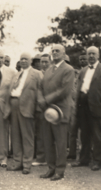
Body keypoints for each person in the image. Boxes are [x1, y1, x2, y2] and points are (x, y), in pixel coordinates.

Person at [39, 44, 74, 181]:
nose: (54, 53)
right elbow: (40, 87)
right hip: (48, 111)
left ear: (64, 53)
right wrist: (41, 99)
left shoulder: (68, 69)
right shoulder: (49, 69)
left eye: (57, 50)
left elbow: (64, 90)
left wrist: (46, 99)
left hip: (60, 111)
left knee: (60, 143)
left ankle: (60, 171)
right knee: (48, 141)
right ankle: (51, 168)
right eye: (53, 51)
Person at [4, 52, 42, 174]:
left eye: (26, 59)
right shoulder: (17, 74)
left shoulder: (37, 74)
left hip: (27, 107)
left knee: (27, 137)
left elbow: (40, 93)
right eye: (21, 59)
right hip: (14, 105)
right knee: (15, 136)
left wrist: (37, 109)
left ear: (31, 61)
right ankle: (17, 162)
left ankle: (27, 164)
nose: (23, 61)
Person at [72, 46, 101, 171]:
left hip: (96, 106)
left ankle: (97, 161)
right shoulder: (83, 70)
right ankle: (84, 159)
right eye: (89, 54)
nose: (91, 56)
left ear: (98, 55)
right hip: (82, 106)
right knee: (84, 134)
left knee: (97, 135)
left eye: (93, 54)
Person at [32, 53, 51, 167]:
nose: (43, 64)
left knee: (53, 134)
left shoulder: (54, 72)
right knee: (40, 134)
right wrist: (40, 102)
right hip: (40, 108)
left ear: (50, 62)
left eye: (45, 61)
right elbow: (36, 90)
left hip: (52, 107)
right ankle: (41, 158)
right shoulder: (37, 74)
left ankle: (52, 158)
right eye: (41, 62)